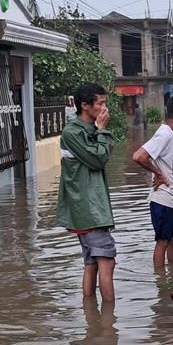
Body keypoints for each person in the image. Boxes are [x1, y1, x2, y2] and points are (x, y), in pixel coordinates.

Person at [58, 83, 117, 301]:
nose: (104, 109)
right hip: (88, 209)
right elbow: (97, 159)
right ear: (85, 105)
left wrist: (99, 131)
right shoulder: (72, 133)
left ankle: (93, 319)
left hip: (90, 208)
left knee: (92, 263)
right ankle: (110, 324)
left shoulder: (86, 130)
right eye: (100, 103)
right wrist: (102, 131)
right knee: (107, 261)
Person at [132, 96, 173, 268]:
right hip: (163, 199)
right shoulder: (164, 134)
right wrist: (158, 173)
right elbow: (139, 156)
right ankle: (160, 283)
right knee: (163, 241)